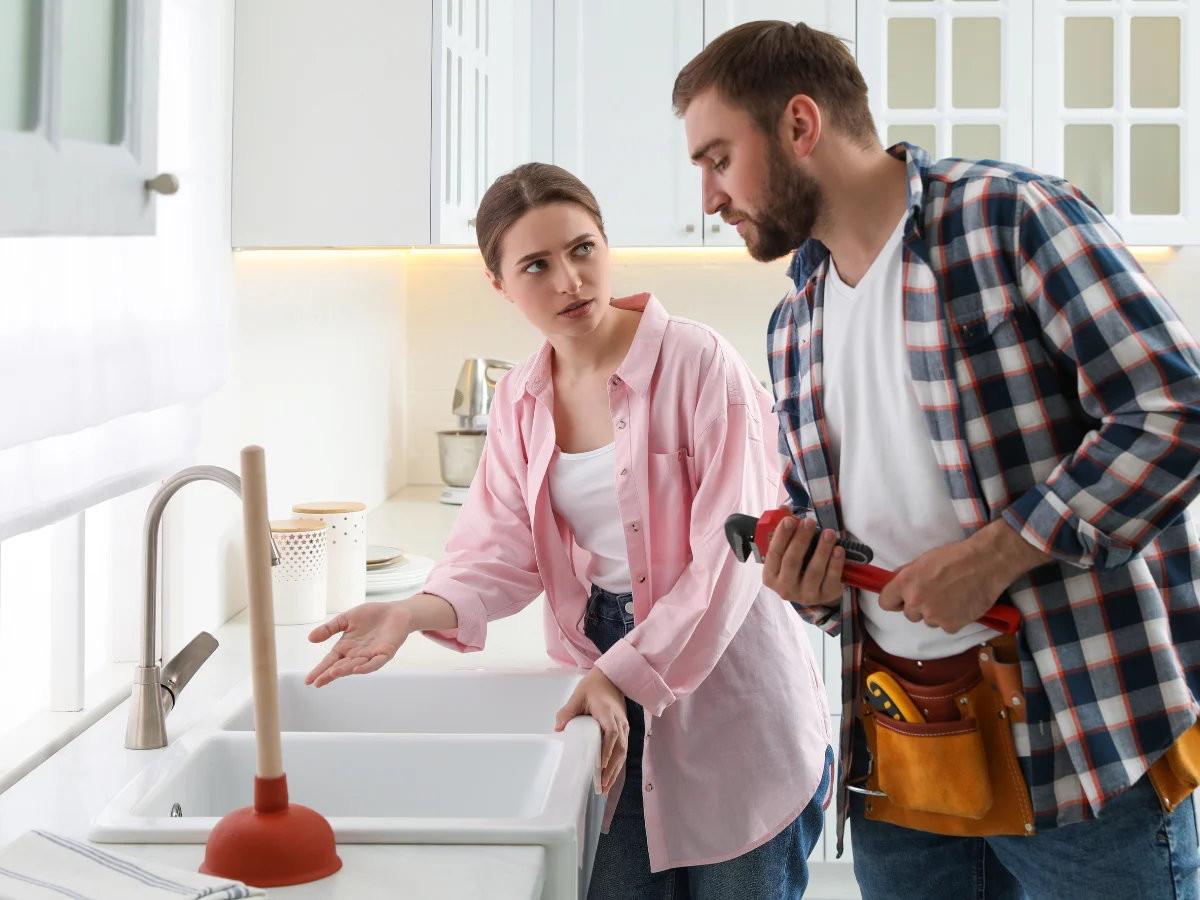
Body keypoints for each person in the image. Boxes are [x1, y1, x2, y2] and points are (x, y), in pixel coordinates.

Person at [673, 18, 1200, 900]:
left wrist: (997, 553)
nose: (709, 197)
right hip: (905, 756)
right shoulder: (794, 320)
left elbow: (1174, 408)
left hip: (1082, 743)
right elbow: (847, 542)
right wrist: (817, 588)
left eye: (719, 159)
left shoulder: (1010, 219)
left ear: (800, 125)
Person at [304, 162, 834, 899]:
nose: (569, 280)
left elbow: (730, 558)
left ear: (608, 246)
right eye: (536, 265)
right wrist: (411, 610)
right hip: (596, 688)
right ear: (500, 284)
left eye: (583, 249)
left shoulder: (699, 363)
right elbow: (499, 549)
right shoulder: (521, 399)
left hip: (726, 689)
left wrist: (619, 672)